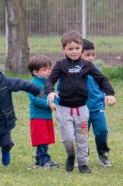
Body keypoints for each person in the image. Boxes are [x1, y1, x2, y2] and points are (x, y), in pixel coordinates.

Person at [45, 30, 116, 174]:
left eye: (77, 48)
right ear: (64, 49)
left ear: (81, 48)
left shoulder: (87, 65)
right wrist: (50, 91)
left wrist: (109, 94)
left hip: (82, 111)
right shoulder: (60, 65)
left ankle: (83, 164)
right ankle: (71, 155)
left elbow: (102, 79)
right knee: (68, 137)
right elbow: (50, 80)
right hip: (64, 110)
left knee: (83, 137)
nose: (74, 51)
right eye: (70, 49)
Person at [81, 39, 115, 167]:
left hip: (97, 109)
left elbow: (105, 83)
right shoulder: (74, 72)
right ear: (79, 54)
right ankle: (83, 155)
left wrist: (109, 95)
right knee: (82, 134)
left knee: (102, 131)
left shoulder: (97, 71)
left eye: (92, 55)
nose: (91, 58)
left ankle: (103, 153)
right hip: (82, 111)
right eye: (87, 55)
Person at [27, 54, 59, 168]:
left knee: (45, 138)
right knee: (42, 139)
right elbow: (34, 99)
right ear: (35, 72)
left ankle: (39, 158)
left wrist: (56, 100)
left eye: (49, 69)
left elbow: (51, 96)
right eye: (45, 69)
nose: (48, 71)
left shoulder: (47, 82)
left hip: (47, 116)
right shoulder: (33, 84)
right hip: (37, 116)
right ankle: (44, 160)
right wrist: (48, 103)